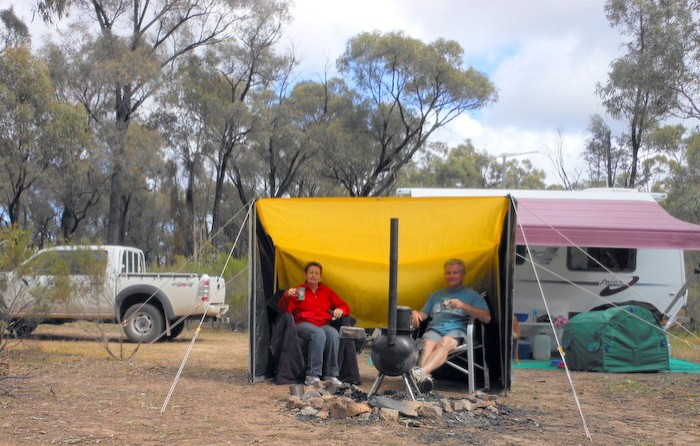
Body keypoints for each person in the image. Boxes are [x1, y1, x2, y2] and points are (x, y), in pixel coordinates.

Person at [409, 258, 491, 393]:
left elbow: (487, 318)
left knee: (445, 342)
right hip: (435, 329)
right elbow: (423, 314)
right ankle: (422, 380)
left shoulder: (471, 295)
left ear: (462, 275)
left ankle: (420, 373)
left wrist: (463, 306)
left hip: (456, 330)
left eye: (455, 273)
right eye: (448, 273)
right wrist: (415, 313)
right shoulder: (436, 295)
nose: (451, 276)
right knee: (428, 345)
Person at [277, 261, 351, 386]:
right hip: (302, 323)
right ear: (305, 275)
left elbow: (344, 306)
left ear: (320, 277)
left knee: (333, 334)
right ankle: (312, 375)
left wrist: (340, 310)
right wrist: (287, 296)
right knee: (318, 334)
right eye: (311, 273)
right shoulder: (299, 291)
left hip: (322, 323)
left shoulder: (327, 292)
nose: (313, 275)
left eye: (316, 273)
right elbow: (283, 309)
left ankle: (331, 375)